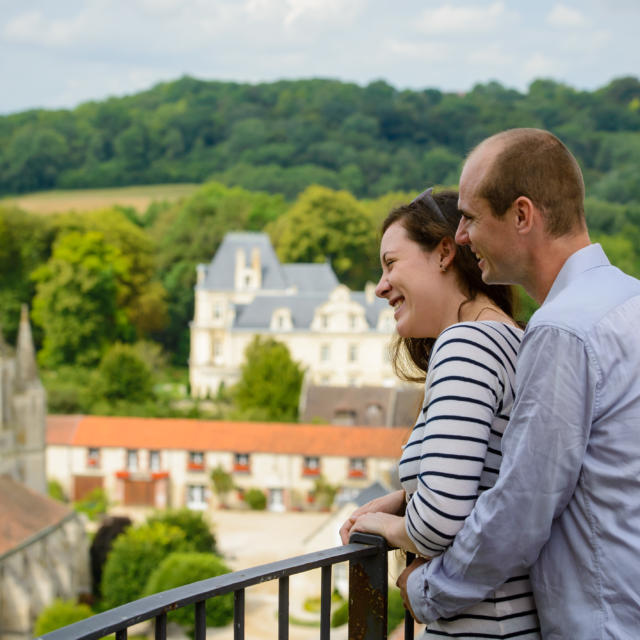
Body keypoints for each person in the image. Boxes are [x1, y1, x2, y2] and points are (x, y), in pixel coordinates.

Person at [397, 128, 640, 639]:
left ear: (523, 216)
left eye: (470, 218)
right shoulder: (628, 301)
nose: (461, 237)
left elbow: (521, 509)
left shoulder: (563, 330)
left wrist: (427, 592)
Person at [339, 188, 541, 638]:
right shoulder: (516, 340)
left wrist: (383, 526)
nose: (380, 286)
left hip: (483, 626)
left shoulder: (466, 343)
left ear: (445, 253)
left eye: (391, 264)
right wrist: (406, 497)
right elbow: (490, 483)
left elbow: (439, 522)